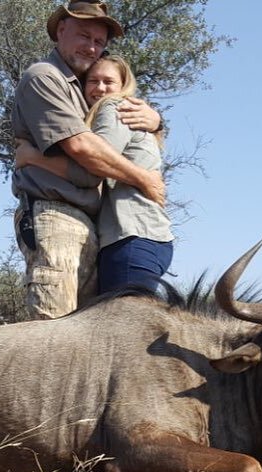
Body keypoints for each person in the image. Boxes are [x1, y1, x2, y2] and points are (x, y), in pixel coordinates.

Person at [11, 0, 165, 320]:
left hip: (92, 228)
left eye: (99, 41)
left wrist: (157, 121)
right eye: (84, 36)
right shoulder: (45, 77)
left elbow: (120, 144)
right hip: (56, 216)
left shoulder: (87, 94)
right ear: (61, 30)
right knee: (54, 334)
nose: (91, 47)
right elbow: (84, 156)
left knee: (88, 343)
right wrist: (142, 178)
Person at [16, 54, 173, 294]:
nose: (100, 88)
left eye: (108, 82)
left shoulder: (116, 107)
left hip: (130, 237)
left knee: (125, 326)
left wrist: (31, 157)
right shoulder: (116, 113)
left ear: (123, 86)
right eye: (93, 81)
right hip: (136, 238)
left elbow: (88, 172)